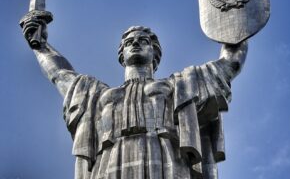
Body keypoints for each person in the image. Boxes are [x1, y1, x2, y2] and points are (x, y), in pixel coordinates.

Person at [21, 16, 247, 179]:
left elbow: (230, 63)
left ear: (154, 53)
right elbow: (61, 75)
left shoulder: (178, 85)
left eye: (143, 41)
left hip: (165, 158)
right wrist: (40, 46)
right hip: (109, 160)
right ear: (122, 54)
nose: (135, 44)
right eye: (129, 42)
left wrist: (234, 20)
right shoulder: (97, 94)